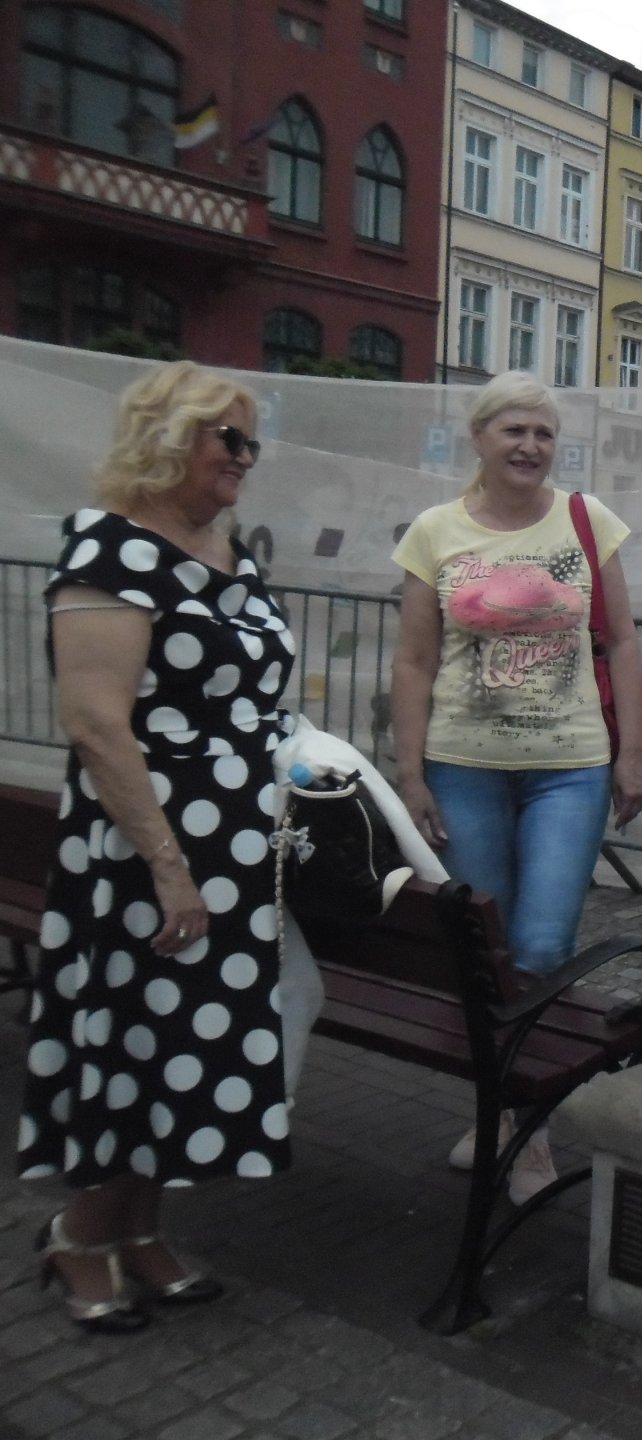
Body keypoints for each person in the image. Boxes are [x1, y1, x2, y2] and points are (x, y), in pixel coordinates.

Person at [17, 362, 300, 1331]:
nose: (245, 458)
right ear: (169, 437)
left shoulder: (224, 549)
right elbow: (96, 724)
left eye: (251, 442)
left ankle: (138, 1230)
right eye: (230, 439)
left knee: (187, 1043)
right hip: (147, 852)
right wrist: (169, 866)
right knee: (139, 1042)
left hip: (231, 847)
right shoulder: (109, 549)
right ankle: (78, 1236)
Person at [390, 371, 642, 1203]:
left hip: (568, 767)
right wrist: (409, 771)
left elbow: (623, 642)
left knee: (540, 947)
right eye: (514, 431)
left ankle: (529, 1130)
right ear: (479, 437)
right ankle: (498, 1110)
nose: (530, 447)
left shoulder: (587, 520)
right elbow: (414, 660)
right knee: (485, 953)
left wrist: (631, 753)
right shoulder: (434, 532)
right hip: (462, 766)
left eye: (543, 433)